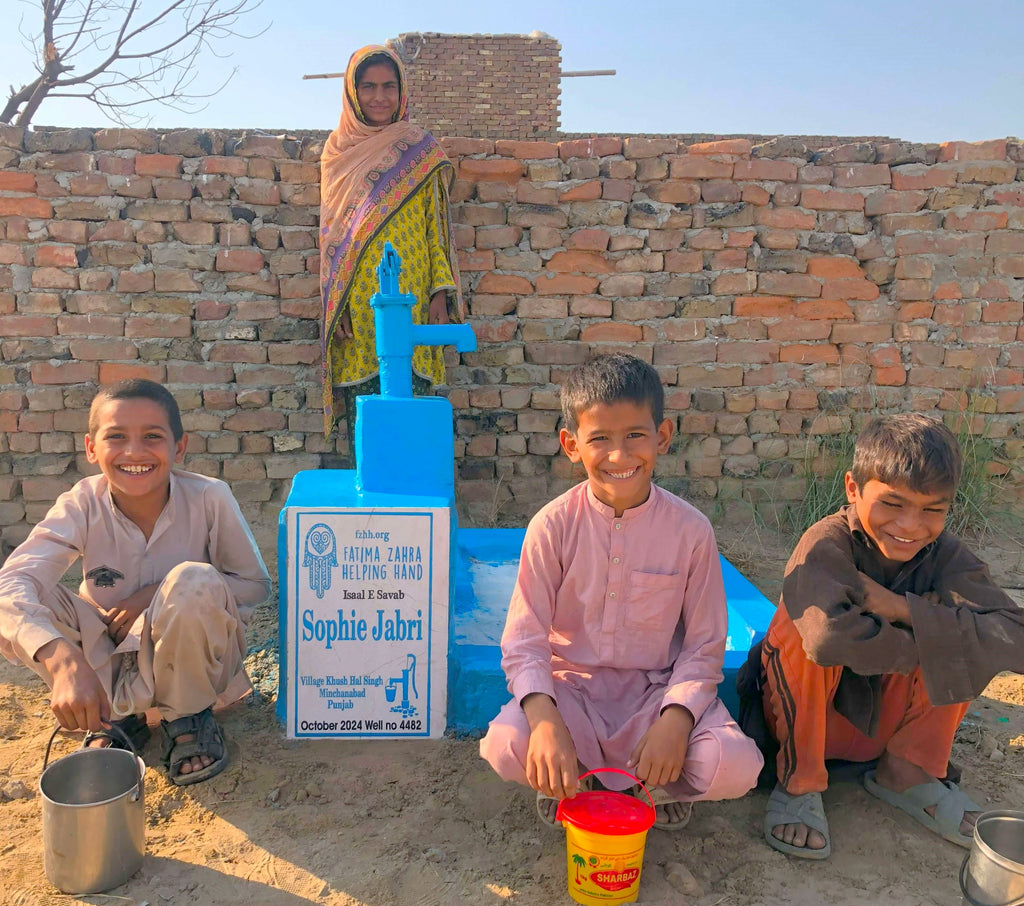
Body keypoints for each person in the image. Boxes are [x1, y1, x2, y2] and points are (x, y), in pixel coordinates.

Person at [479, 354, 763, 829]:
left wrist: (676, 719)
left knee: (735, 764)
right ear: (571, 445)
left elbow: (705, 645)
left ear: (663, 437)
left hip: (654, 697)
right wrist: (546, 719)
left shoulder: (691, 531)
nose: (619, 456)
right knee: (507, 745)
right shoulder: (551, 526)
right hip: (572, 695)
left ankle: (650, 786)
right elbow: (524, 642)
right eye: (600, 440)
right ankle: (576, 780)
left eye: (635, 435)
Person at [750, 414, 1024, 859]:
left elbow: (1015, 636)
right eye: (893, 504)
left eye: (932, 509)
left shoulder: (947, 556)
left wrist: (901, 609)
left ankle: (908, 772)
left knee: (963, 633)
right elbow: (826, 639)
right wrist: (936, 637)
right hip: (809, 725)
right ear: (853, 489)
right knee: (799, 627)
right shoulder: (827, 543)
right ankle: (800, 782)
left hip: (888, 728)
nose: (911, 526)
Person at [0, 379, 271, 785]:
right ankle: (115, 719)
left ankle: (187, 719)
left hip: (188, 663)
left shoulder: (209, 498)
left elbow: (253, 584)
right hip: (105, 657)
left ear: (179, 447)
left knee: (194, 579)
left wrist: (153, 596)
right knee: (27, 595)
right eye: (116, 437)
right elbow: (13, 583)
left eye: (152, 437)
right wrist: (62, 659)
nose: (134, 452)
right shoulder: (81, 503)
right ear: (91, 448)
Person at [319, 44, 464, 437]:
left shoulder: (421, 149)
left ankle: (415, 497)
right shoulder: (338, 154)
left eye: (388, 86)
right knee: (368, 417)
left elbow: (436, 228)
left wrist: (439, 294)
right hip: (360, 301)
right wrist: (339, 301)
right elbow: (333, 238)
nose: (379, 97)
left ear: (403, 91)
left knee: (414, 409)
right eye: (368, 87)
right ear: (352, 91)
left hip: (414, 297)